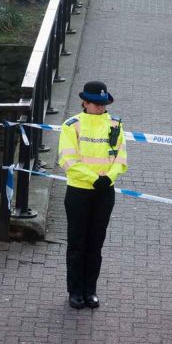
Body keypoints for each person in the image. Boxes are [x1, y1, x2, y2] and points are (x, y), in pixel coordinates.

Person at [58, 81, 128, 310]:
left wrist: (109, 177)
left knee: (95, 244)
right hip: (79, 191)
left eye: (102, 103)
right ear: (84, 103)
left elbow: (121, 157)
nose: (100, 107)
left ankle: (90, 290)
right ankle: (75, 291)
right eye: (96, 104)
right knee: (77, 243)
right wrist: (94, 178)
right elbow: (68, 160)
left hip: (104, 192)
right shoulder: (72, 125)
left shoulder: (115, 124)